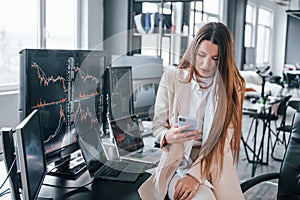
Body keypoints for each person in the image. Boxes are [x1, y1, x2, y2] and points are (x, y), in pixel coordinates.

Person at [138, 22, 246, 200]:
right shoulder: (172, 77)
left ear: (224, 59)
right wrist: (167, 135)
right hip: (177, 161)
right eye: (201, 54)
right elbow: (157, 126)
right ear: (193, 50)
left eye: (215, 58)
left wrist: (195, 175)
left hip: (214, 162)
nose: (205, 64)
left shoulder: (234, 87)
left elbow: (223, 142)